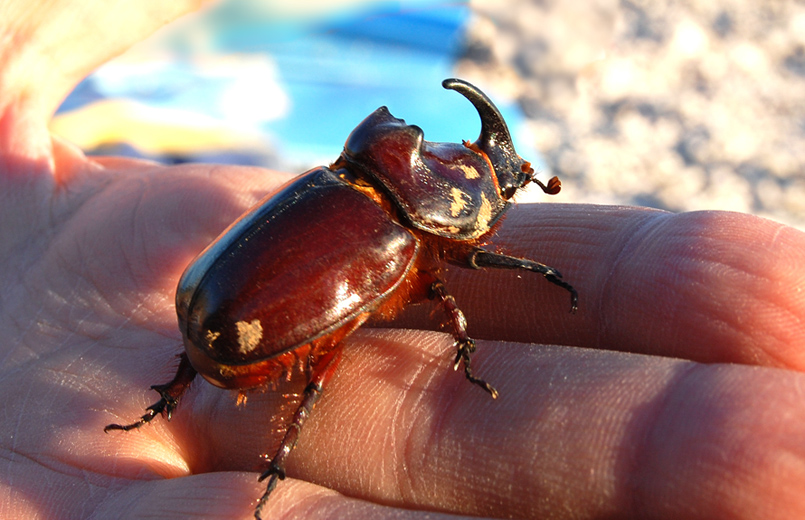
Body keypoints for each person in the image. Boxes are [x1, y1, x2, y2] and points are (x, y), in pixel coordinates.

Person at [2, 1, 804, 519]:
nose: (481, 165)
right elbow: (458, 286)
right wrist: (497, 309)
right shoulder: (402, 241)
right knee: (330, 367)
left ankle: (175, 400)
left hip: (210, 311)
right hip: (242, 334)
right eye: (486, 173)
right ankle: (272, 462)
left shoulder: (335, 183)